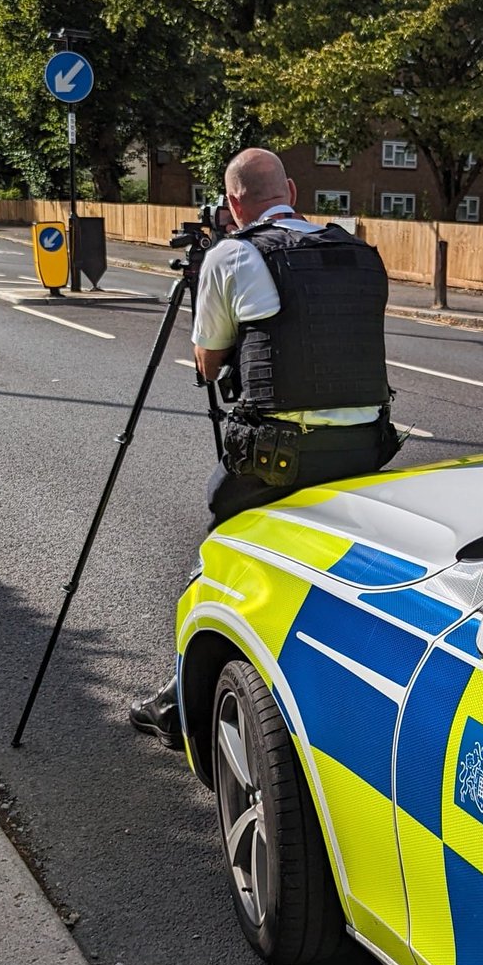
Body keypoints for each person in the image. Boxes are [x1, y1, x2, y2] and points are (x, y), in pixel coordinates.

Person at [130, 148, 402, 748]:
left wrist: (208, 283)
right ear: (293, 192)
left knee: (221, 545)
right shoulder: (356, 251)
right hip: (367, 447)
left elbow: (208, 364)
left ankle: (180, 702)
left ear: (232, 203)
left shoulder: (233, 255)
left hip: (282, 453)